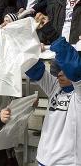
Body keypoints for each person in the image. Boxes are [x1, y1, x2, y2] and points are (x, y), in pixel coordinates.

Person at [25, 37, 81, 165]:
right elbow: (32, 67)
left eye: (64, 71)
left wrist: (56, 44)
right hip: (43, 159)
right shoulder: (55, 86)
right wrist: (29, 48)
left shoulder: (79, 93)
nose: (60, 74)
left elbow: (75, 69)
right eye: (58, 71)